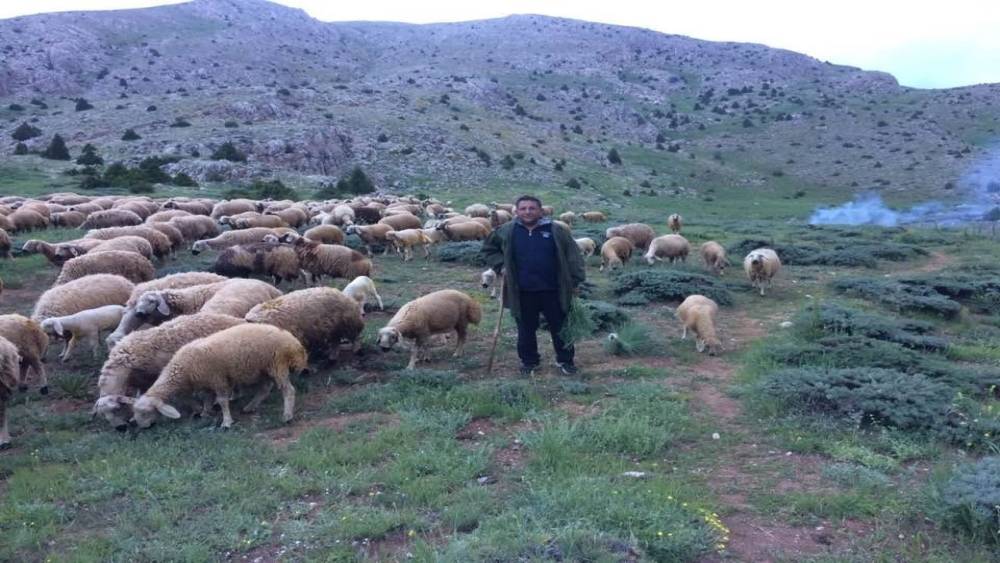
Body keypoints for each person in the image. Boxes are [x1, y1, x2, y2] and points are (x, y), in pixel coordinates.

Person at [480, 195, 586, 376]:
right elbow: (489, 250)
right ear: (517, 211)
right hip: (521, 290)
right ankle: (529, 362)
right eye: (523, 208)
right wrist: (500, 265)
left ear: (540, 210)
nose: (527, 212)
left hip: (554, 289)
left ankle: (565, 361)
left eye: (532, 208)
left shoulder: (556, 230)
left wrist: (575, 280)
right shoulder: (507, 230)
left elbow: (573, 256)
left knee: (560, 327)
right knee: (525, 329)